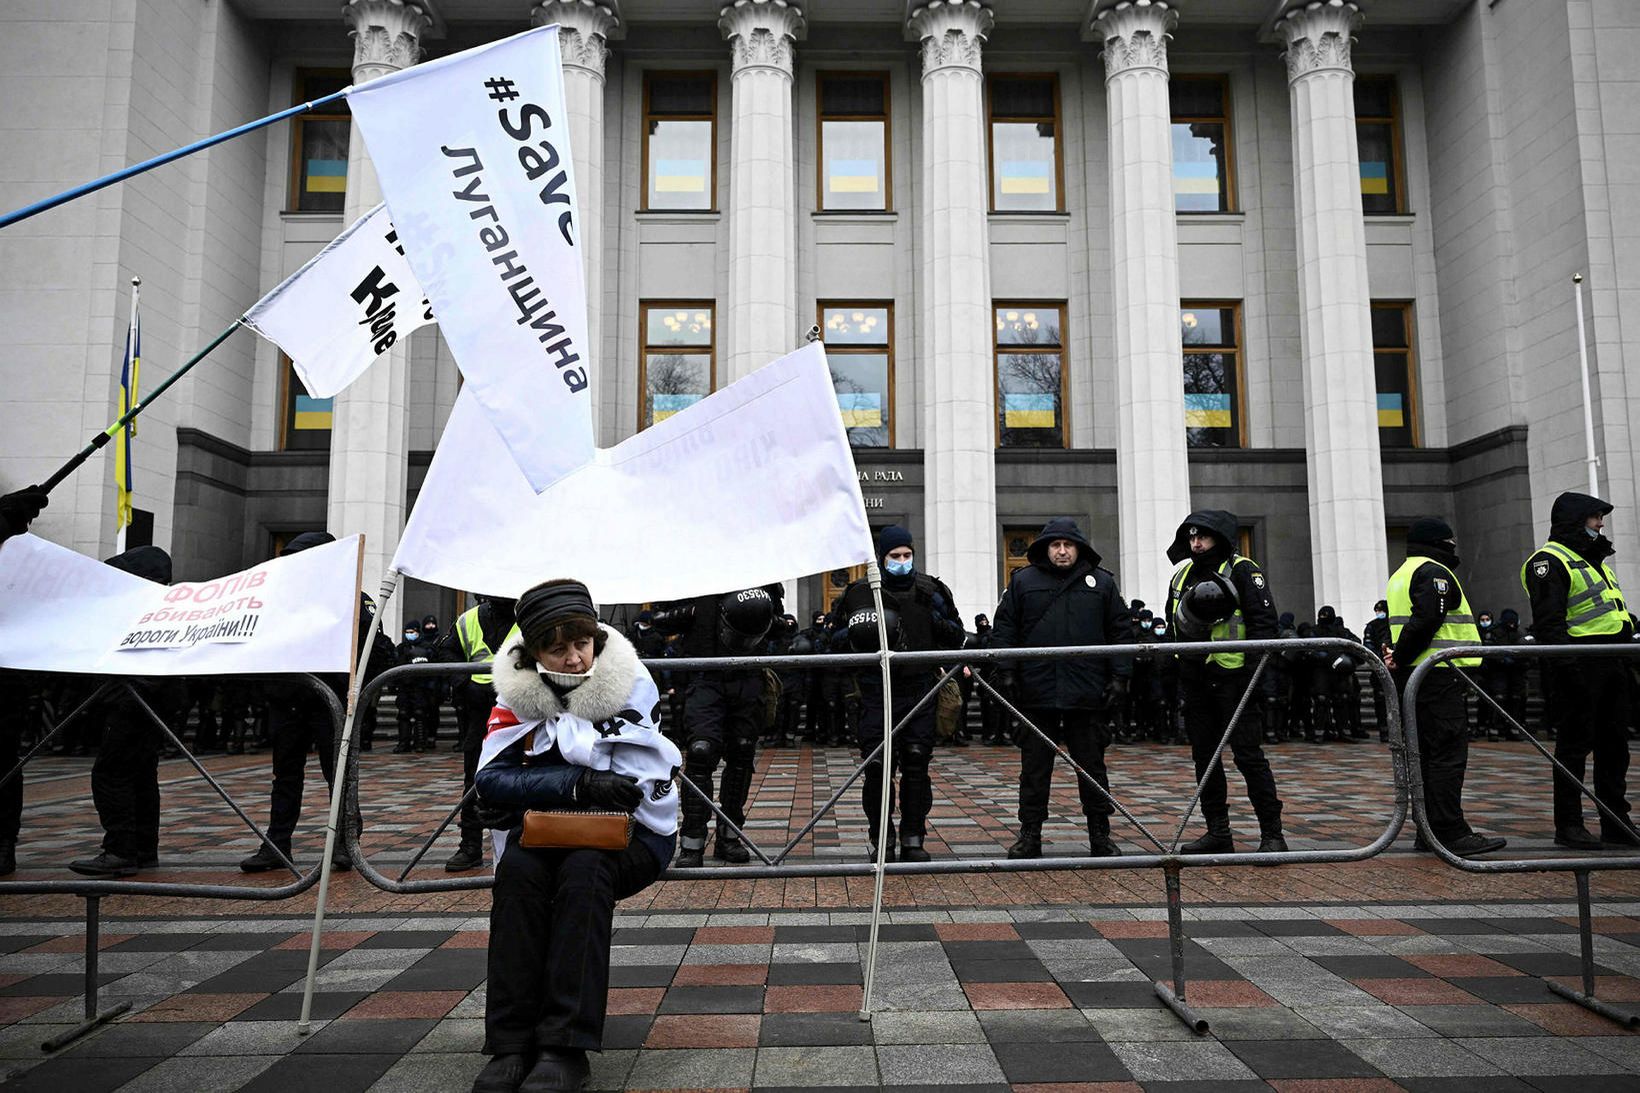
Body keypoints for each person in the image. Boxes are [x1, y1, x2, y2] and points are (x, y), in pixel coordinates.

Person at [471, 578, 679, 1093]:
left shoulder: (630, 683)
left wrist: (544, 784)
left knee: (584, 872)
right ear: (532, 651)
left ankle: (565, 1047)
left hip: (633, 837)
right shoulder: (518, 693)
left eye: (581, 644)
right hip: (545, 833)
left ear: (597, 640)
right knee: (518, 873)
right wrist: (579, 781)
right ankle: (511, 1043)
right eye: (556, 648)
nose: (573, 659)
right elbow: (489, 778)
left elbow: (645, 779)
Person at [241, 532, 392, 873]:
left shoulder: (352, 599)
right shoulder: (279, 600)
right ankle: (277, 844)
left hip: (331, 704)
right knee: (285, 777)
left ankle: (344, 841)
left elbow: (378, 651)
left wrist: (360, 693)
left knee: (337, 775)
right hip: (288, 702)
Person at [991, 518, 1132, 859]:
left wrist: (1120, 677)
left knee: (1092, 768)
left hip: (1088, 692)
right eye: (1056, 545)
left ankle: (1100, 834)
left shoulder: (1102, 583)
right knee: (1034, 771)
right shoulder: (1023, 582)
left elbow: (1120, 632)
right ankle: (1030, 834)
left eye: (1069, 545)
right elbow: (1005, 630)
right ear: (1045, 549)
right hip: (1037, 693)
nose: (1063, 551)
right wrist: (1006, 673)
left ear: (1079, 549)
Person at [829, 525, 966, 862]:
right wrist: (859, 632)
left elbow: (956, 635)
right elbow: (831, 642)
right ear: (882, 557)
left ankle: (913, 837)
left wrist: (932, 620)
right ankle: (882, 839)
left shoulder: (931, 590)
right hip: (875, 692)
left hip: (920, 690)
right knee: (878, 768)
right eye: (895, 556)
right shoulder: (860, 592)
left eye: (907, 555)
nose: (902, 561)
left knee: (917, 762)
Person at [1165, 509, 1288, 854]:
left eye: (1202, 536)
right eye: (1191, 537)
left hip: (1236, 680)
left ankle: (1272, 833)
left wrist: (1255, 676)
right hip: (1196, 679)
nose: (1196, 543)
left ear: (1219, 537)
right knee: (1205, 759)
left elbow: (1264, 625)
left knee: (1249, 757)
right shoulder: (1182, 575)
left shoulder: (1242, 570)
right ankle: (1218, 831)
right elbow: (1172, 626)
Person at [1383, 517, 1507, 857]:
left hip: (1418, 674)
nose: (1454, 545)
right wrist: (1402, 653)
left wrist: (1397, 655)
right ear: (1440, 542)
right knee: (1446, 754)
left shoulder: (1402, 573)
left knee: (1424, 753)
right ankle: (1450, 831)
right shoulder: (1434, 572)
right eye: (1449, 540)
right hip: (1438, 673)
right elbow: (1426, 620)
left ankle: (1429, 830)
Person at [1523, 491, 1640, 848]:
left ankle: (1615, 821)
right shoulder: (1549, 561)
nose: (1601, 524)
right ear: (1576, 520)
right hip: (1579, 666)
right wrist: (1568, 671)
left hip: (1610, 663)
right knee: (1574, 747)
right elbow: (1550, 624)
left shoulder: (1591, 560)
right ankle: (1569, 825)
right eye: (1595, 518)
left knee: (1614, 746)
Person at [68, 546, 185, 877]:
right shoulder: (166, 608)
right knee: (142, 775)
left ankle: (120, 849)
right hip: (149, 698)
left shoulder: (145, 609)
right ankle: (143, 849)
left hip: (133, 698)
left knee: (111, 774)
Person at [657, 585, 780, 867]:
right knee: (700, 752)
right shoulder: (697, 570)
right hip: (705, 675)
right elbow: (660, 621)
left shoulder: (761, 573)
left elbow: (780, 624)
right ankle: (692, 840)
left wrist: (765, 616)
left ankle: (729, 835)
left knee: (742, 752)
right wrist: (689, 613)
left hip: (748, 674)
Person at [435, 595, 518, 872]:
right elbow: (447, 652)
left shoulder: (530, 616)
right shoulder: (468, 619)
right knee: (474, 776)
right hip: (478, 708)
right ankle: (470, 845)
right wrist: (463, 682)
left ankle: (520, 842)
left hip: (520, 708)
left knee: (522, 774)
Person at [1363, 600, 1392, 740]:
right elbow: (1368, 646)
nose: (1379, 613)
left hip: (1394, 665)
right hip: (1379, 667)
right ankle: (1384, 730)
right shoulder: (1372, 626)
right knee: (1380, 700)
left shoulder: (1393, 624)